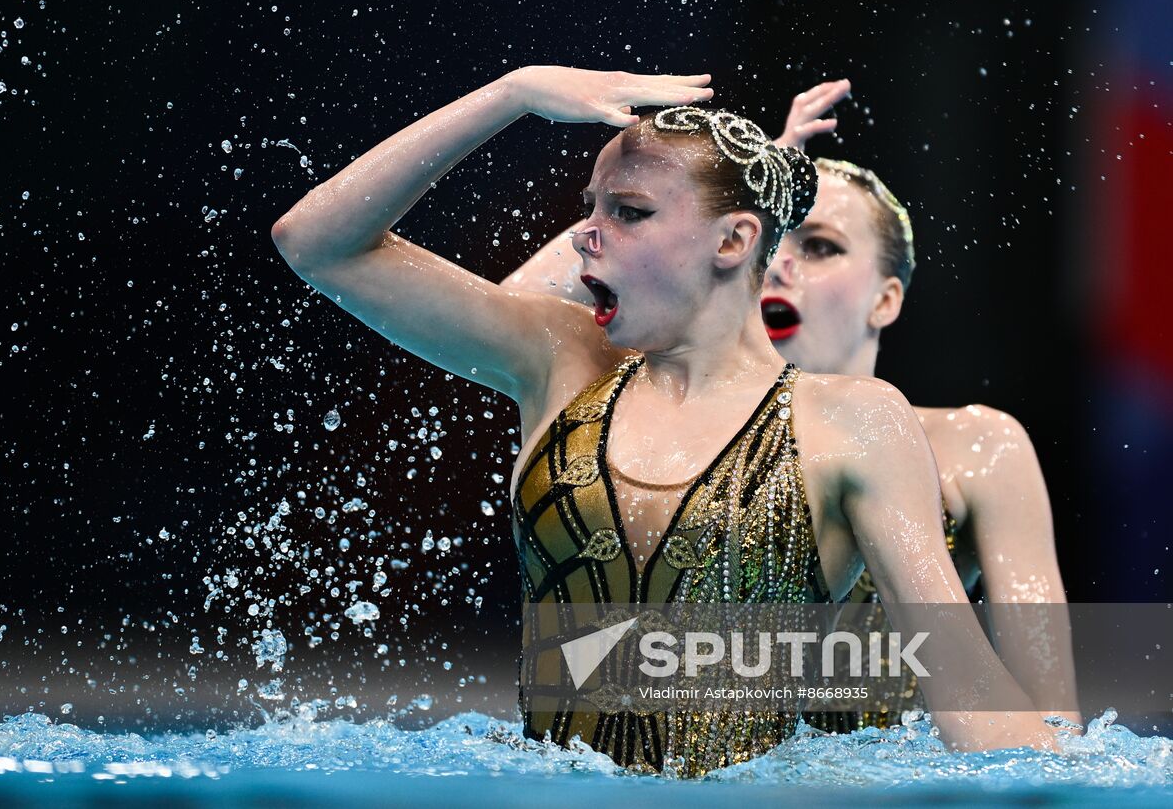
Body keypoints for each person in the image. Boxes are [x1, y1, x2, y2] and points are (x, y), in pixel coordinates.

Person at [271, 66, 1057, 775]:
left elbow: (973, 696)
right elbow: (318, 244)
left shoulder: (851, 422)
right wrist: (510, 95)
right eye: (590, 208)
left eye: (630, 211)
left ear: (735, 240)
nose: (586, 230)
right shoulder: (560, 358)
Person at [501, 80, 1080, 730]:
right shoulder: (649, 412)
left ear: (886, 299)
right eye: (774, 241)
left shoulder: (975, 447)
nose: (779, 265)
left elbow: (1049, 716)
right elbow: (525, 311)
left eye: (821, 247)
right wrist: (735, 177)